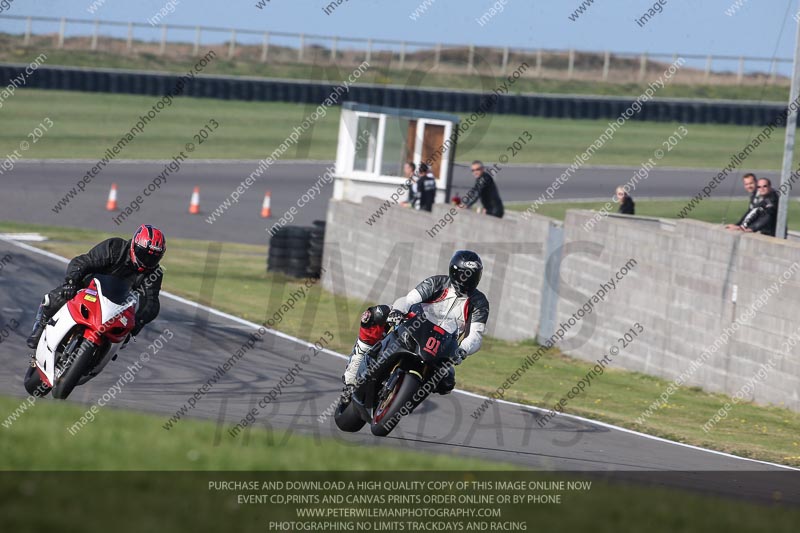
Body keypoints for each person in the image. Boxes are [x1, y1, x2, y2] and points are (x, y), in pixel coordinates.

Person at [341, 250, 489, 395]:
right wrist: (397, 311)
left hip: (442, 347)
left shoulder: (480, 303)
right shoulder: (437, 282)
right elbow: (409, 300)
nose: (467, 279)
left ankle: (406, 398)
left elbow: (476, 336)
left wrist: (463, 350)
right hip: (413, 328)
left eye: (473, 275)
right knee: (376, 314)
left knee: (446, 383)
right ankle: (357, 362)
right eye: (464, 274)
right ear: (454, 271)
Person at [26, 224, 167, 349]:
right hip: (89, 288)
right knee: (58, 297)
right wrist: (71, 282)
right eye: (143, 254)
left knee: (123, 337)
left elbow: (151, 301)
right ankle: (41, 325)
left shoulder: (154, 272)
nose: (147, 260)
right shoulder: (115, 247)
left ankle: (98, 358)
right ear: (134, 245)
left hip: (118, 306)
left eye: (153, 258)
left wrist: (138, 322)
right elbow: (84, 262)